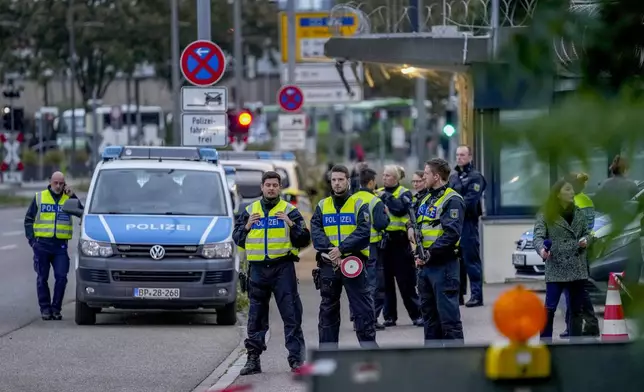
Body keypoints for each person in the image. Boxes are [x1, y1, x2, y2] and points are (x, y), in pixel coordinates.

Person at [232, 171, 311, 375]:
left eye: (275, 185)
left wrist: (291, 224)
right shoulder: (250, 211)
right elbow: (237, 238)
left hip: (282, 268)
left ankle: (296, 360)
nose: (271, 188)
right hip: (258, 270)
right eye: (268, 185)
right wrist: (247, 226)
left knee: (291, 315)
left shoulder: (289, 211)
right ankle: (253, 359)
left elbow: (304, 240)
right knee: (256, 317)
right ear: (262, 187)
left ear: (280, 188)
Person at [311, 164, 378, 348]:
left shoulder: (358, 204)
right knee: (328, 311)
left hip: (353, 263)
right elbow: (316, 233)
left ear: (348, 181)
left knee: (363, 310)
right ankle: (327, 355)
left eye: (341, 179)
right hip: (329, 264)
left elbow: (364, 233)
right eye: (334, 180)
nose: (337, 183)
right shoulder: (322, 206)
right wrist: (333, 250)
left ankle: (370, 351)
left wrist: (341, 249)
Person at [413, 158, 465, 344]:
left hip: (444, 267)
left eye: (426, 173)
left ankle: (457, 365)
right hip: (425, 267)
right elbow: (418, 225)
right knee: (430, 321)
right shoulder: (426, 198)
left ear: (436, 176)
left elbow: (451, 234)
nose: (422, 176)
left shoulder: (452, 200)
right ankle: (432, 363)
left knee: (449, 320)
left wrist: (429, 253)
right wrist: (410, 230)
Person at [533, 179, 591, 340]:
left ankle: (575, 345)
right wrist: (542, 250)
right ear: (558, 194)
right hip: (556, 266)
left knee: (576, 309)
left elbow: (587, 233)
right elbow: (537, 237)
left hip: (577, 266)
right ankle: (546, 344)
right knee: (549, 308)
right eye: (568, 190)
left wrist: (586, 240)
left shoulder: (579, 213)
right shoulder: (546, 214)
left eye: (572, 190)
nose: (572, 192)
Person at [24, 171, 82, 320]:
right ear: (50, 182)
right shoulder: (40, 197)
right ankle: (45, 309)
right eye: (55, 182)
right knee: (42, 277)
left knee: (61, 277)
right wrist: (32, 241)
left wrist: (73, 196)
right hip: (42, 244)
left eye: (61, 183)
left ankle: (56, 308)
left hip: (60, 246)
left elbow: (82, 213)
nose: (58, 186)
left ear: (65, 184)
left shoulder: (68, 199)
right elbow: (29, 220)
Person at [377, 165, 422, 327]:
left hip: (400, 241)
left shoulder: (404, 193)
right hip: (384, 242)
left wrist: (386, 198)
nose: (384, 178)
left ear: (395, 178)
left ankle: (417, 315)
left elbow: (399, 209)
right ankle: (389, 317)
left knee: (406, 282)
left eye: (388, 175)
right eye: (383, 175)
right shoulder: (379, 192)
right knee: (386, 283)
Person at [559, 173, 600, 338]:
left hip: (574, 250)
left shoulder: (574, 203)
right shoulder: (587, 200)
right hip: (586, 248)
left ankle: (574, 326)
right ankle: (590, 324)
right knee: (579, 289)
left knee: (572, 289)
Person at [352, 167, 390, 330]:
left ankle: (356, 319)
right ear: (371, 182)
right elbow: (381, 224)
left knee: (356, 283)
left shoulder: (351, 199)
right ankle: (371, 319)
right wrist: (386, 215)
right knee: (373, 283)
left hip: (353, 247)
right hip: (372, 246)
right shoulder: (375, 201)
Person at [449, 145, 486, 307]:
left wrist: (454, 205)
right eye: (457, 155)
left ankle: (477, 295)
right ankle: (459, 295)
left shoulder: (475, 177)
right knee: (458, 260)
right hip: (455, 223)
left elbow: (470, 200)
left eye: (462, 155)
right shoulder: (454, 176)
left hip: (468, 222)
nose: (459, 158)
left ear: (470, 156)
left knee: (471, 258)